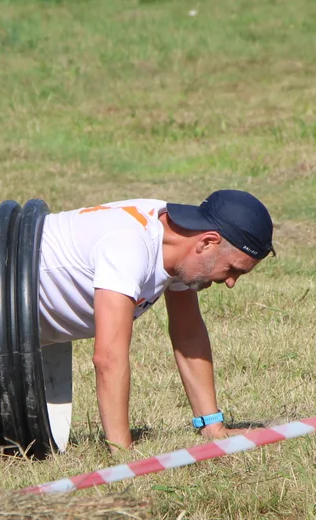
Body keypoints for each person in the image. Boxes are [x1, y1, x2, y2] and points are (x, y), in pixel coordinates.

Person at [37, 190, 275, 450]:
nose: (230, 283)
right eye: (232, 269)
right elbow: (109, 357)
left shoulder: (178, 243)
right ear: (207, 242)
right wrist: (121, 454)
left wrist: (213, 426)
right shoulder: (129, 246)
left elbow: (188, 334)